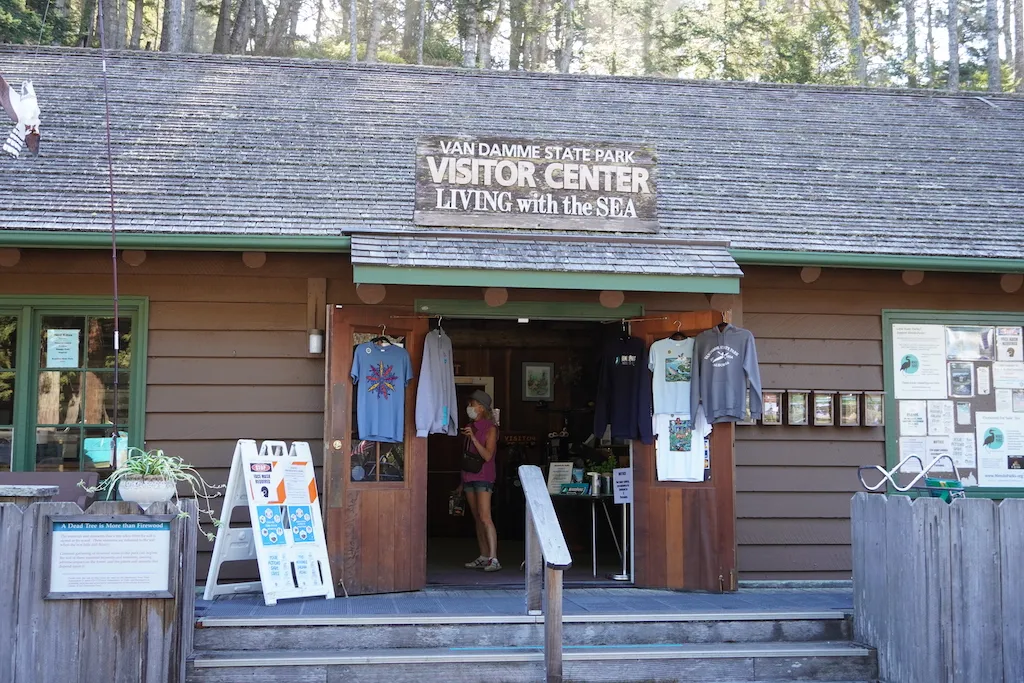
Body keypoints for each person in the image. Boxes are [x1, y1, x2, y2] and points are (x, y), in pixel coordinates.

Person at [459, 390, 500, 572]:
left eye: (472, 404)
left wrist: (473, 438)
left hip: (483, 476)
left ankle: (494, 558)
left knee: (485, 516)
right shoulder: (469, 426)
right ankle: (483, 555)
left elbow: (487, 455)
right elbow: (466, 456)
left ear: (481, 408)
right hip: (469, 477)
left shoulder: (490, 429)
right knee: (476, 517)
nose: (470, 408)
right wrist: (461, 482)